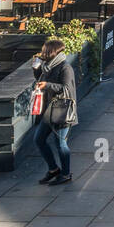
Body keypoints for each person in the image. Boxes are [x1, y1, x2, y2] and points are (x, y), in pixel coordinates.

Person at [33, 37, 77, 185]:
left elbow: (66, 89)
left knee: (60, 144)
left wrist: (47, 85)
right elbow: (41, 80)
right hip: (49, 111)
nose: (42, 52)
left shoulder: (65, 68)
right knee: (39, 139)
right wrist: (36, 69)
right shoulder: (47, 66)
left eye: (45, 50)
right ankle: (53, 169)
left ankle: (65, 174)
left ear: (52, 51)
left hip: (62, 112)